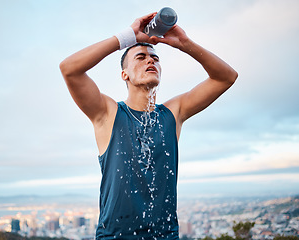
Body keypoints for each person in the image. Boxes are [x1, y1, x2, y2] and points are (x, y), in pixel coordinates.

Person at [60, 12, 238, 240]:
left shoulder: (173, 113)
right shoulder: (108, 113)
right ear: (124, 74)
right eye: (140, 57)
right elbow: (69, 69)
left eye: (155, 58)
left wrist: (185, 44)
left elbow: (226, 77)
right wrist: (127, 37)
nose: (150, 60)